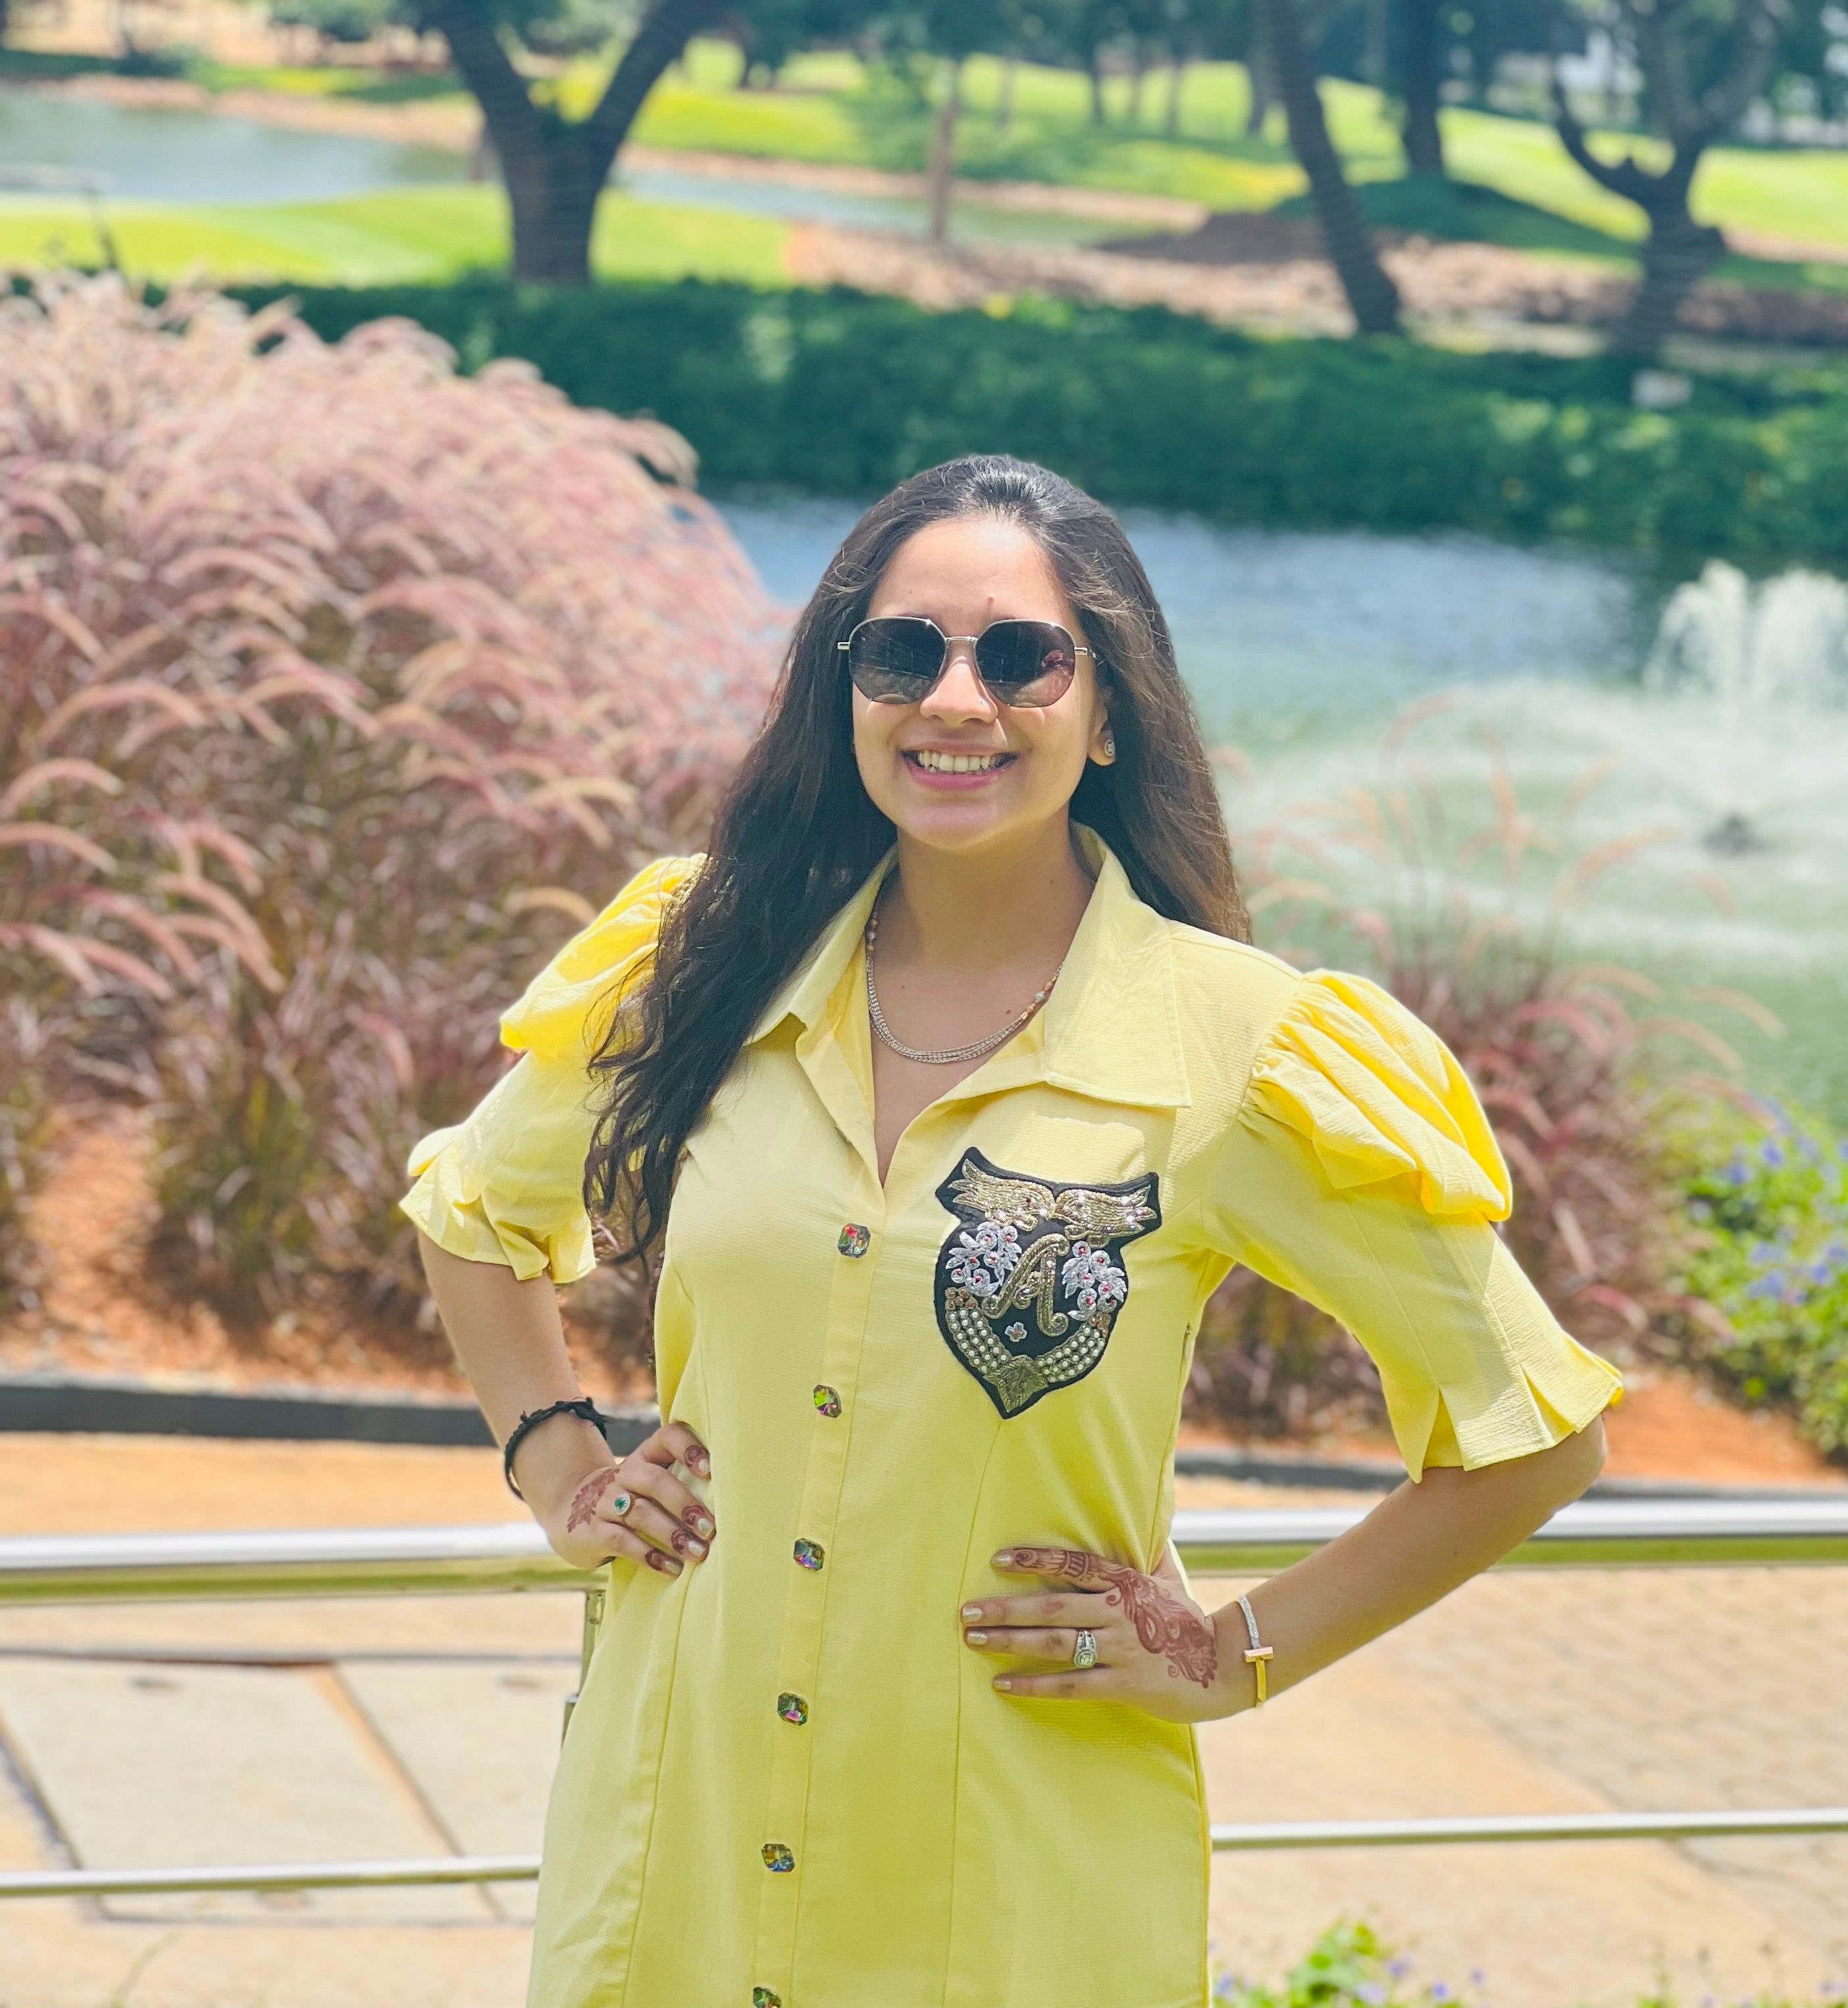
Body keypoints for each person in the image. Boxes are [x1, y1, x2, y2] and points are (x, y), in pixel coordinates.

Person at [406, 453, 1620, 2008]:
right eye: (904, 653)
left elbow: (1535, 1433)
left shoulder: (1242, 1049)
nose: (955, 701)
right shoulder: (698, 962)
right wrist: (557, 1461)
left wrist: (1240, 1649)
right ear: (846, 695)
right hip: (675, 1858)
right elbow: (473, 1213)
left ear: (1109, 711)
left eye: (1021, 657)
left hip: (1012, 1903)